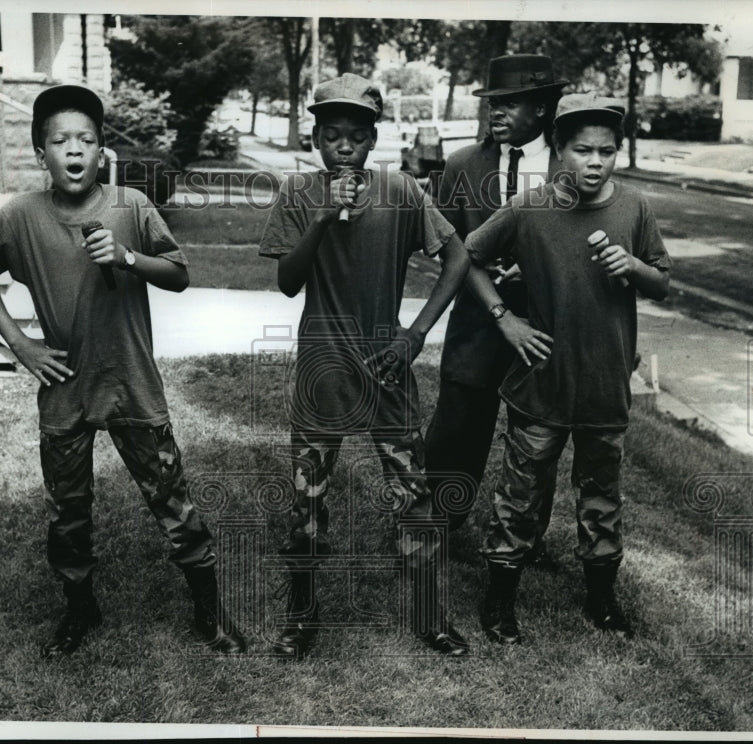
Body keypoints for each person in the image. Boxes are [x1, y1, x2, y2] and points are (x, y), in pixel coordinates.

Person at [0, 84, 245, 658]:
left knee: (173, 502)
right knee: (68, 515)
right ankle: (79, 609)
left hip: (131, 383)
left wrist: (126, 257)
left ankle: (209, 612)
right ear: (40, 151)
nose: (74, 150)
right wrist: (21, 344)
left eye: (86, 140)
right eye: (60, 140)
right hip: (64, 389)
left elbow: (178, 273)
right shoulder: (19, 217)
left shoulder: (130, 207)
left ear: (101, 152)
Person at [259, 73, 471, 657]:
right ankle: (300, 617)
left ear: (373, 138)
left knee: (414, 494)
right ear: (316, 138)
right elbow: (285, 282)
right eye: (331, 135)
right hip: (323, 367)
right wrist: (324, 217)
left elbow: (456, 256)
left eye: (355, 135)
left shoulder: (402, 192)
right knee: (306, 498)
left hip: (386, 364)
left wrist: (417, 334)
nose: (343, 146)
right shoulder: (299, 193)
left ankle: (430, 616)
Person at [464, 93, 671, 644]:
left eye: (606, 151)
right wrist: (505, 319)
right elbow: (469, 257)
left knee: (602, 497)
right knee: (521, 495)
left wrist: (633, 266)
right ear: (558, 149)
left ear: (618, 153)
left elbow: (663, 282)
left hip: (606, 385)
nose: (595, 162)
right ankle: (499, 602)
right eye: (582, 150)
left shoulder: (634, 209)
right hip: (542, 383)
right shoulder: (529, 208)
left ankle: (602, 600)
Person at [424, 55, 567, 569]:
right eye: (493, 103)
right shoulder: (463, 164)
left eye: (510, 103)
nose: (496, 113)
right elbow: (449, 246)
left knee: (537, 435)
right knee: (457, 428)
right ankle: (434, 527)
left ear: (543, 107)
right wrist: (500, 310)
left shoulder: (564, 165)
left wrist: (536, 272)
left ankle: (524, 536)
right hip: (478, 323)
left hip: (547, 329)